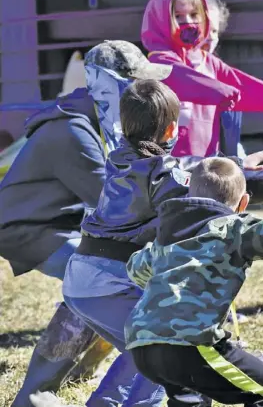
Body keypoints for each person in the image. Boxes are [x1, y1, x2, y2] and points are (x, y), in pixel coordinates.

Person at [35, 78, 263, 407]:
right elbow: (203, 186)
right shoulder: (160, 175)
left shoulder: (121, 158)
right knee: (165, 349)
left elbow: (192, 170)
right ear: (171, 129)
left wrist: (235, 165)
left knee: (144, 355)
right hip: (109, 279)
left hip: (83, 276)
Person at [1, 40, 173, 407]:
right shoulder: (74, 131)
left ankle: (78, 372)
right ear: (106, 83)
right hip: (24, 226)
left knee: (99, 280)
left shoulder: (97, 117)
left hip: (56, 220)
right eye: (135, 83)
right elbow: (114, 202)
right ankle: (36, 390)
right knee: (98, 278)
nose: (145, 93)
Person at [125, 157, 263, 407]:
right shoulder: (231, 230)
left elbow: (135, 268)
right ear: (243, 202)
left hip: (141, 345)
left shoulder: (166, 237)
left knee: (190, 397)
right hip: (190, 342)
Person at [141, 0, 263, 158]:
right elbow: (184, 78)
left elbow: (245, 88)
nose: (188, 22)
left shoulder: (209, 63)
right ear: (161, 19)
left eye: (194, 15)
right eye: (178, 16)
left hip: (207, 164)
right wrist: (222, 91)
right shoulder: (159, 61)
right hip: (170, 167)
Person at [203, 0, 246, 159]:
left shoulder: (226, 79)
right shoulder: (169, 78)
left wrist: (240, 162)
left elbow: (231, 140)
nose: (211, 37)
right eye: (205, 29)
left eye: (214, 31)